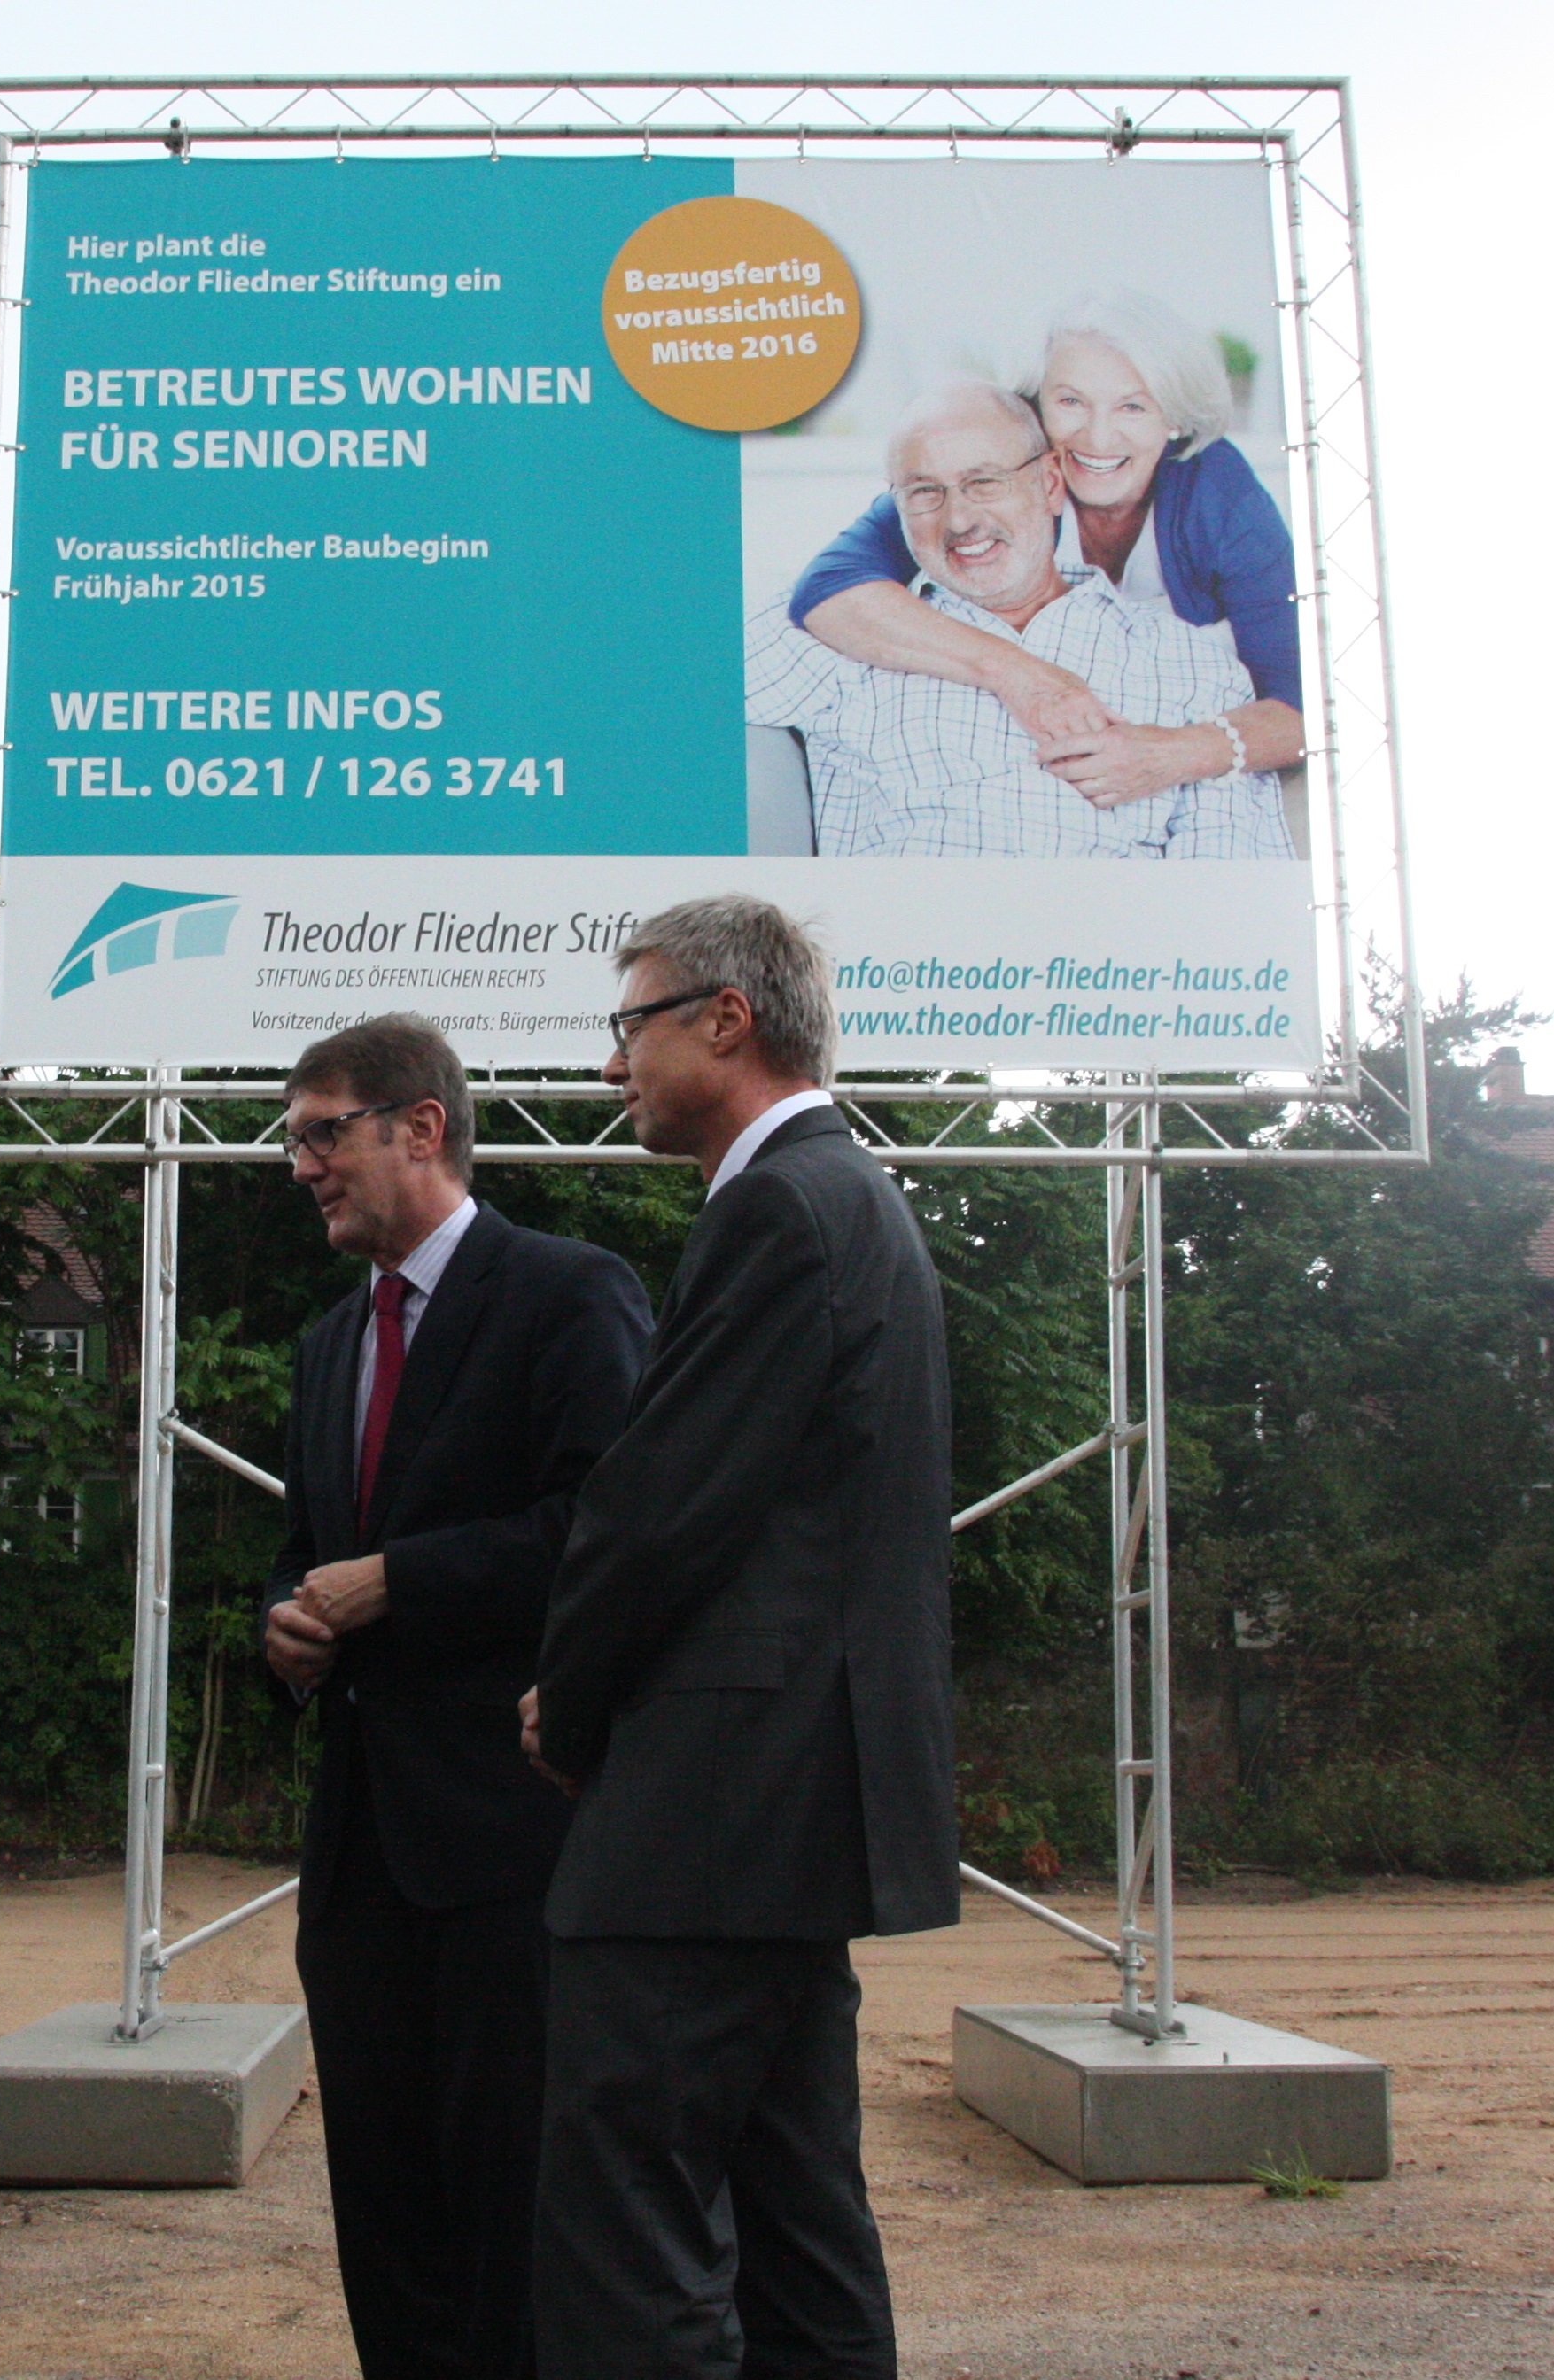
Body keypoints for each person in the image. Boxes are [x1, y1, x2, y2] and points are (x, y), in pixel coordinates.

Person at [524, 896, 957, 2380]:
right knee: (795, 2224)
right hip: (787, 1811)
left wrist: (564, 1709)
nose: (608, 1066)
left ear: (724, 1017)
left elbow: (658, 1508)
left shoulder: (780, 1206)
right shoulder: (848, 1195)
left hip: (708, 1817)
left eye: (627, 1023)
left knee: (629, 2237)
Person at [262, 1013, 653, 2380]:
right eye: (292, 1136)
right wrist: (292, 1626)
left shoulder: (568, 1290)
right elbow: (307, 1552)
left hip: (512, 1840)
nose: (300, 1163)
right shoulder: (328, 1343)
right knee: (384, 2201)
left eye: (322, 1131)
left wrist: (398, 1582)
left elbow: (610, 1528)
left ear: (418, 1126)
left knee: (514, 2206)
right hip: (362, 1850)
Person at [747, 382, 1294, 859]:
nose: (959, 519)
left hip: (1108, 963)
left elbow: (1227, 882)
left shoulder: (1188, 665)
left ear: (1052, 484)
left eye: (985, 482)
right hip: (908, 959)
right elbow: (680, 688)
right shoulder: (843, 639)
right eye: (924, 493)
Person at [789, 287, 1305, 787]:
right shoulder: (1003, 470)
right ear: (1037, 403)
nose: (1098, 438)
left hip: (1146, 723)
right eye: (1071, 401)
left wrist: (1168, 754)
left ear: (1174, 417)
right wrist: (1023, 678)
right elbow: (829, 588)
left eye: (1133, 407)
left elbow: (1301, 708)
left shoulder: (1219, 493)